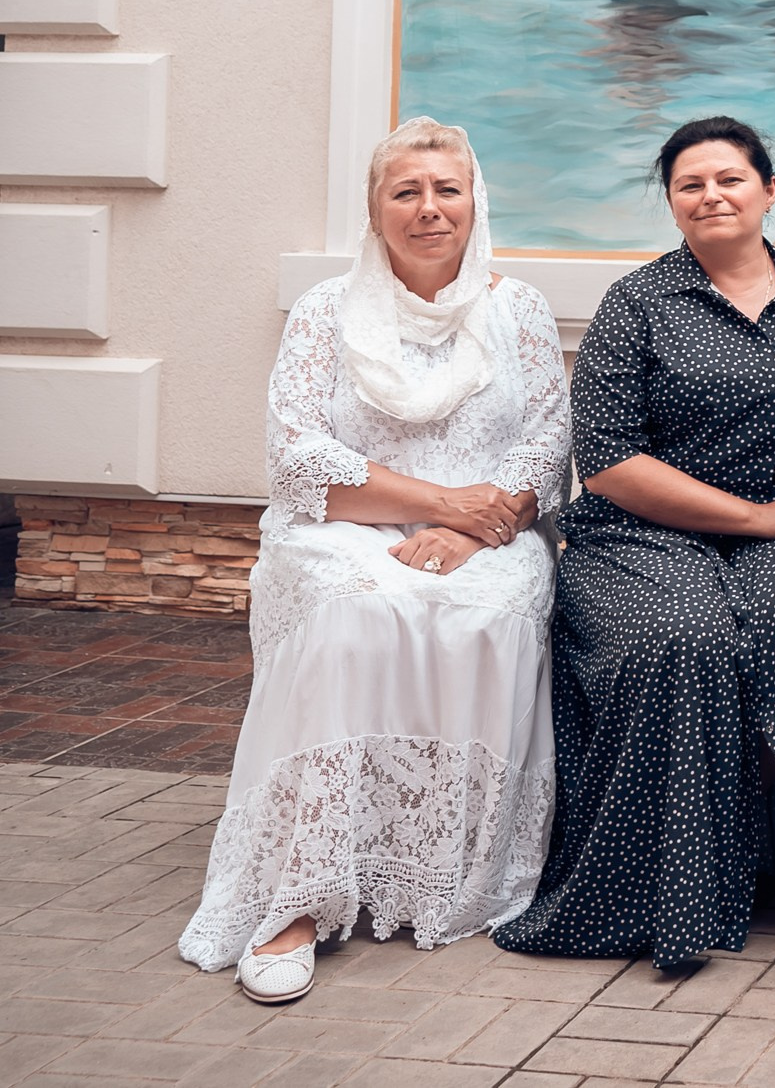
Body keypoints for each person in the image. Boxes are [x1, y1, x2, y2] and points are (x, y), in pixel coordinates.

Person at [182, 119, 567, 1004]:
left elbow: (549, 444)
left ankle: (437, 868)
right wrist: (436, 505)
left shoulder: (522, 310)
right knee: (357, 611)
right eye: (407, 192)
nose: (429, 209)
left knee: (489, 612)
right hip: (341, 529)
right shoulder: (325, 311)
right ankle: (299, 896)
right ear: (375, 208)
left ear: (475, 202)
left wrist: (473, 530)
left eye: (447, 190)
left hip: (488, 532)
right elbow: (297, 456)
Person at [494, 117, 775, 972]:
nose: (711, 195)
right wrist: (755, 517)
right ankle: (669, 899)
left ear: (770, 191)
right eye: (690, 185)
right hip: (643, 533)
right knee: (678, 640)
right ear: (671, 205)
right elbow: (611, 461)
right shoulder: (637, 302)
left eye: (730, 178)